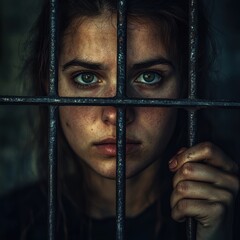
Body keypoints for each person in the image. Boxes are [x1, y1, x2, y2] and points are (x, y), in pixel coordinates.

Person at [0, 0, 239, 239]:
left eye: (149, 76)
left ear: (186, 86)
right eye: (86, 78)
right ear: (50, 87)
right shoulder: (12, 222)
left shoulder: (224, 210)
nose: (117, 113)